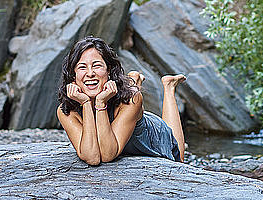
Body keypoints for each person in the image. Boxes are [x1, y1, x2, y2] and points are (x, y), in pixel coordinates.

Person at [57, 36, 186, 165]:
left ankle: (169, 86)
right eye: (82, 67)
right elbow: (92, 157)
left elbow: (107, 154)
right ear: (73, 75)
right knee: (132, 97)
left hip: (150, 134)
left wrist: (100, 103)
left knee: (179, 157)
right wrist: (86, 103)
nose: (90, 73)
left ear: (109, 71)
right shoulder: (66, 110)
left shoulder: (131, 99)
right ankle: (133, 81)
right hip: (128, 117)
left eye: (97, 65)